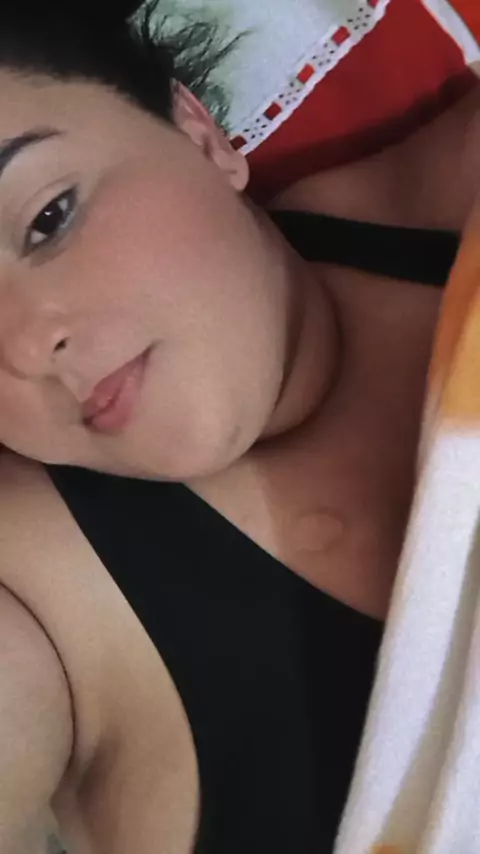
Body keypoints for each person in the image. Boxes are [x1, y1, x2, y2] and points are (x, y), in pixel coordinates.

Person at [0, 4, 472, 854]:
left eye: (48, 219)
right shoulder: (35, 590)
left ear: (199, 133)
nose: (29, 346)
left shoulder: (448, 206)